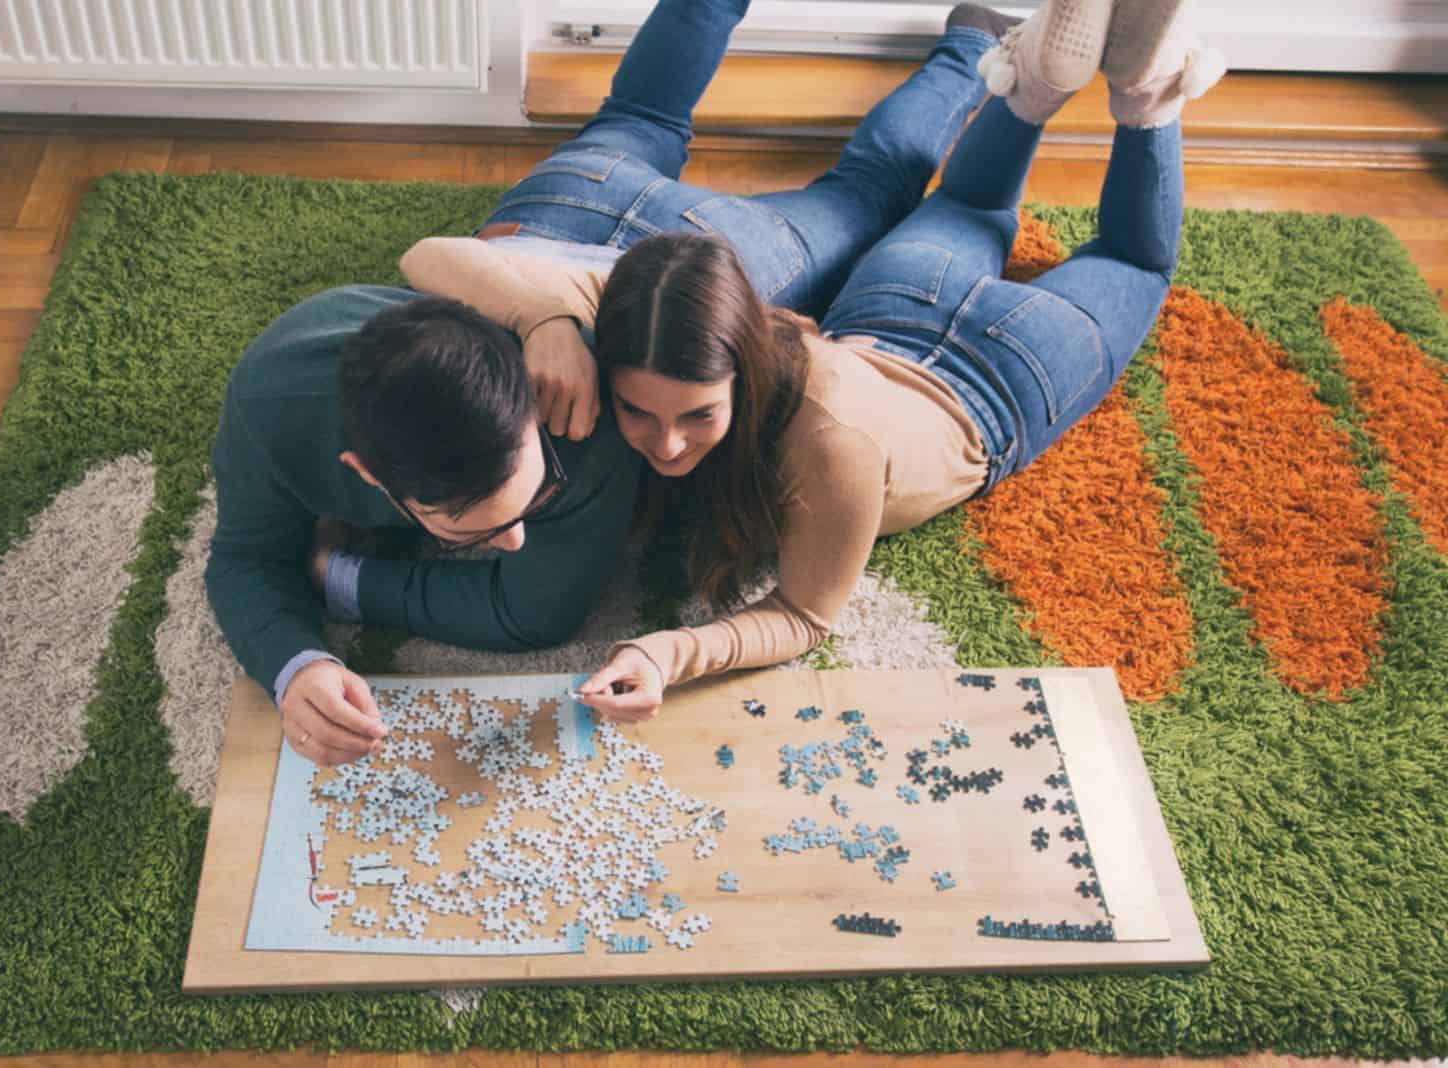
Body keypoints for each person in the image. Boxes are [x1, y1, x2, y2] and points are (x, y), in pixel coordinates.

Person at [409, 0, 1225, 721]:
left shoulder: (830, 446)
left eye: (697, 416)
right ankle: (1039, 77)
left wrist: (671, 652)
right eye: (639, 412)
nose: (664, 448)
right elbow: (430, 256)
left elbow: (803, 616)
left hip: (996, 376)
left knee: (1109, 253)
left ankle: (1115, 91)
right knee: (947, 204)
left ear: (746, 363)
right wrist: (547, 317)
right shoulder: (656, 311)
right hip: (888, 314)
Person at [400, 0, 1008, 443]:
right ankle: (974, 46)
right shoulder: (428, 361)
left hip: (708, 253)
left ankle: (974, 44)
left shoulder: (471, 422)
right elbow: (430, 256)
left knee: (867, 195)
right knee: (643, 113)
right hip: (563, 206)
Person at [206, 289, 642, 767]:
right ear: (369, 475)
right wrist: (296, 667)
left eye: (537, 493)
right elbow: (243, 560)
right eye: (475, 533)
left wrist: (337, 577)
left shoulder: (590, 420)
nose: (517, 541)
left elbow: (532, 613)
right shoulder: (265, 411)